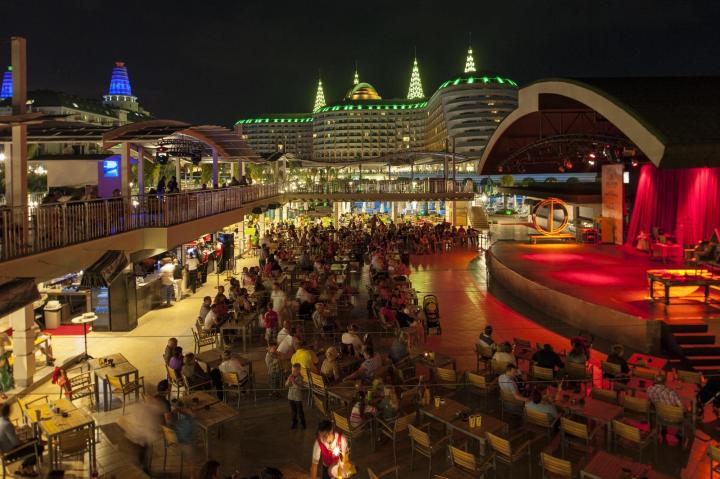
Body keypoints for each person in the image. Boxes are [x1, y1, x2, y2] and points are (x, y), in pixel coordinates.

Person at [0, 403, 40, 477]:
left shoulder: (1, 421)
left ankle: (24, 467)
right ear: (8, 412)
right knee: (37, 446)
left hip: (5, 450)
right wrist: (25, 442)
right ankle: (27, 470)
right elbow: (16, 443)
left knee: (33, 440)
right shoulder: (6, 424)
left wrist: (24, 439)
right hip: (11, 452)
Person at [286, 363, 306, 430]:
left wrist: (293, 381)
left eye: (294, 371)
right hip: (291, 397)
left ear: (299, 370)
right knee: (293, 411)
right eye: (292, 371)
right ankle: (294, 422)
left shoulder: (301, 378)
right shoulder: (291, 376)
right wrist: (288, 380)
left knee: (300, 412)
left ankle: (303, 423)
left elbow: (299, 387)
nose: (293, 372)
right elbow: (286, 385)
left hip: (297, 398)